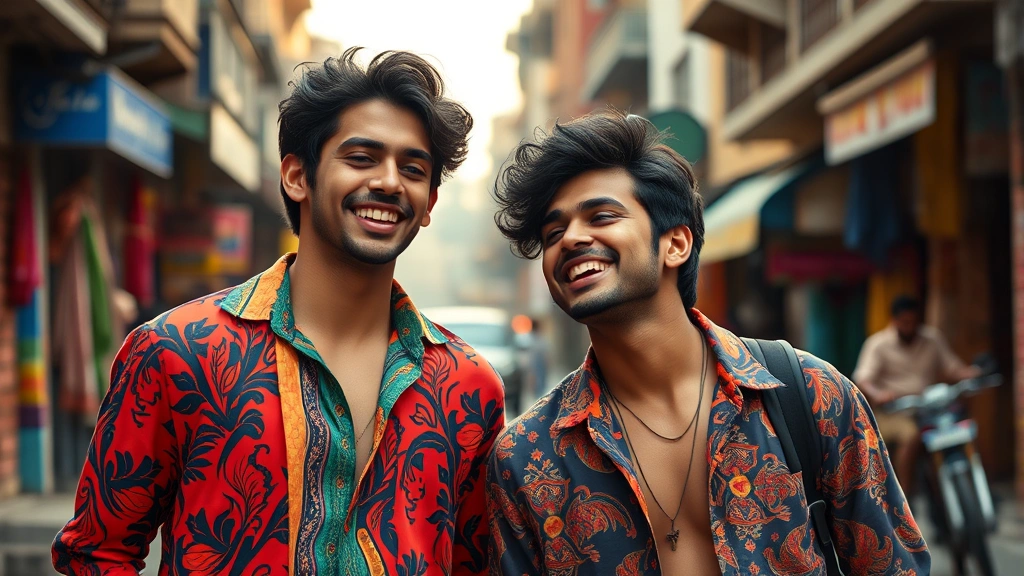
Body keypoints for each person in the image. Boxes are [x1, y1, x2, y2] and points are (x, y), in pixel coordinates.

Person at [53, 48, 505, 575]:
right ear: (297, 177)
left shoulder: (469, 386)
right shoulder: (177, 351)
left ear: (428, 204)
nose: (388, 181)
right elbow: (96, 551)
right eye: (361, 158)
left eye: (413, 168)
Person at [486, 111, 929, 575]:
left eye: (601, 216)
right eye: (553, 232)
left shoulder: (812, 396)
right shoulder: (527, 458)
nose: (571, 238)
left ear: (675, 244)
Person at [853, 295, 980, 493]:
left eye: (914, 322)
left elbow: (953, 368)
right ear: (894, 320)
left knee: (957, 427)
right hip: (895, 413)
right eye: (905, 322)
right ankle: (904, 499)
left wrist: (974, 373)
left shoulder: (932, 339)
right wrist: (878, 393)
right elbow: (863, 379)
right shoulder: (878, 344)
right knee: (911, 435)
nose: (910, 327)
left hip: (930, 410)